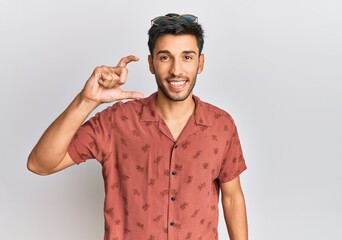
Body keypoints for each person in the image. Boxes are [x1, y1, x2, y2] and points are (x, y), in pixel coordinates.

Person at [27, 13, 248, 240]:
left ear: (200, 63)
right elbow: (40, 164)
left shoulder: (221, 125)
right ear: (151, 64)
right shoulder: (116, 121)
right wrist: (87, 101)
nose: (176, 70)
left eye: (187, 57)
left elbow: (232, 197)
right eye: (165, 58)